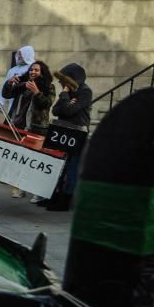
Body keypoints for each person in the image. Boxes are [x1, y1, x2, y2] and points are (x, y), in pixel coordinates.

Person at [1, 60, 56, 200]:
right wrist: (9, 83)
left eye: (36, 70)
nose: (33, 72)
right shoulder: (23, 85)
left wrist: (37, 92)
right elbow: (7, 95)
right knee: (20, 159)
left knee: (35, 161)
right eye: (31, 70)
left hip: (37, 128)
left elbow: (47, 104)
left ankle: (37, 191)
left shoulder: (49, 86)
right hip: (19, 126)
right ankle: (20, 188)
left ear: (42, 72)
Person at [44, 62, 92, 212]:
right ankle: (54, 195)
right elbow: (57, 110)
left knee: (72, 168)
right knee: (60, 166)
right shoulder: (69, 92)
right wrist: (67, 100)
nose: (60, 83)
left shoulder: (85, 91)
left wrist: (65, 95)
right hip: (64, 132)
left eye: (63, 80)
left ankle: (66, 200)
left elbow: (71, 111)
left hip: (77, 134)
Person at [0, 45, 35, 117]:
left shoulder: (33, 68)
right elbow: (5, 85)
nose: (19, 56)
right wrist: (1, 102)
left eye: (21, 54)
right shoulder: (13, 70)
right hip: (13, 99)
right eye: (19, 54)